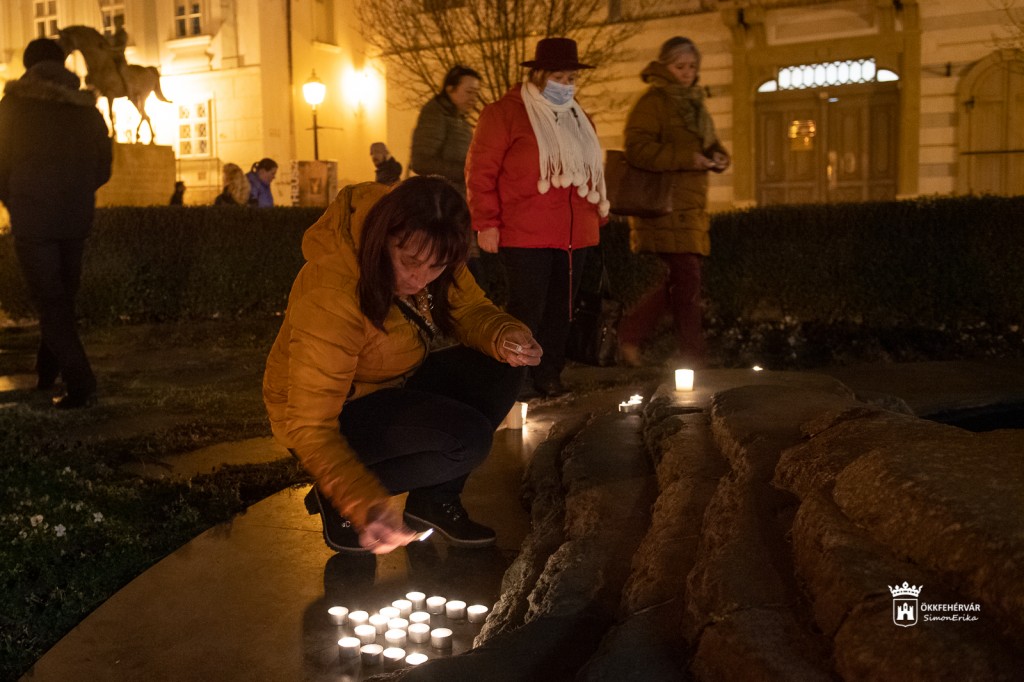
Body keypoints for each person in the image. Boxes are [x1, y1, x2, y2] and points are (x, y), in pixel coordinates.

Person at [263, 176, 542, 555]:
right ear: (383, 236)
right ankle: (336, 498)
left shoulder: (431, 239)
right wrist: (362, 500)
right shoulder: (333, 294)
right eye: (410, 262)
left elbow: (469, 308)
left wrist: (506, 336)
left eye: (436, 267)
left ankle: (433, 501)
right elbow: (310, 425)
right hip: (330, 413)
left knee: (501, 366)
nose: (419, 278)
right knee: (468, 440)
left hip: (389, 385)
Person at [466, 38, 608, 398]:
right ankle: (515, 381)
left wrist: (596, 217)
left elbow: (591, 172)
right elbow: (481, 171)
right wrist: (486, 222)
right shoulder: (504, 114)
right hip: (524, 233)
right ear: (539, 75)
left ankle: (549, 374)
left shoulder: (579, 117)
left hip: (575, 234)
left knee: (562, 310)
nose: (566, 85)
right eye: (559, 77)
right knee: (525, 310)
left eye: (571, 78)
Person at [0, 38, 112, 409]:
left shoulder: (13, 106)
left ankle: (81, 383)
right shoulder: (87, 110)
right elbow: (103, 168)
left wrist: (15, 199)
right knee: (61, 297)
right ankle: (46, 371)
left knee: (50, 299)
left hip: (33, 217)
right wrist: (77, 191)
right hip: (75, 217)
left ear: (28, 67)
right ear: (64, 66)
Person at [615, 36, 730, 369]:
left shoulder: (695, 103)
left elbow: (709, 144)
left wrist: (719, 156)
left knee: (680, 284)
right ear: (665, 66)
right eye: (680, 66)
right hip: (663, 208)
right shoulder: (653, 102)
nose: (687, 73)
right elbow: (637, 149)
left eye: (692, 66)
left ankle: (632, 337)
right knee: (686, 281)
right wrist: (686, 158)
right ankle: (692, 355)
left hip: (689, 210)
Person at [409, 65, 482, 278]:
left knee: (467, 275)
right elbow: (421, 161)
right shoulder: (435, 114)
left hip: (458, 208)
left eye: (476, 93)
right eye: (469, 91)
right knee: (462, 274)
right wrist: (467, 172)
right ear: (450, 89)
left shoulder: (459, 119)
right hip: (442, 210)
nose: (474, 98)